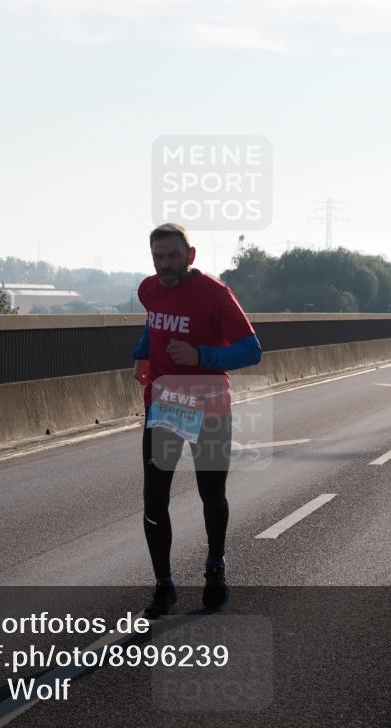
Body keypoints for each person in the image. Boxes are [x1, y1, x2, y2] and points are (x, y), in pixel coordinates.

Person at [132, 223, 262, 618]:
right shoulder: (148, 289)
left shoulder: (216, 295)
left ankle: (215, 567)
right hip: (165, 405)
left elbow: (251, 350)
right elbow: (154, 323)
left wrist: (202, 357)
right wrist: (142, 353)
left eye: (173, 256)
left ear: (190, 255)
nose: (165, 264)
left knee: (211, 494)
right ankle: (163, 586)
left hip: (209, 407)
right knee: (154, 498)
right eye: (158, 257)